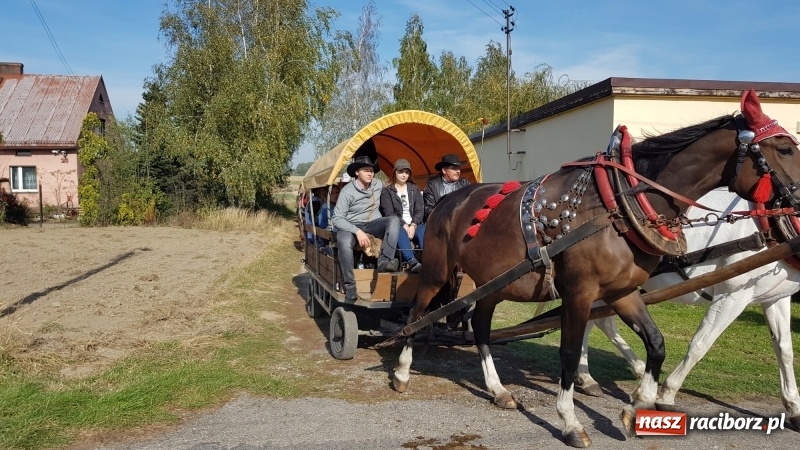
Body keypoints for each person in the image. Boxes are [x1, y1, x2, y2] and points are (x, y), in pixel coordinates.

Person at [332, 156, 402, 301]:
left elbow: (395, 189)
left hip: (373, 224)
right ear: (357, 172)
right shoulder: (347, 192)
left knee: (394, 220)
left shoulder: (377, 184)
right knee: (344, 242)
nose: (370, 173)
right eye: (366, 170)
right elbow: (337, 218)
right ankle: (350, 285)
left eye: (371, 171)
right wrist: (357, 231)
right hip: (351, 225)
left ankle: (385, 261)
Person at [380, 159, 423, 273]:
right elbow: (389, 213)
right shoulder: (388, 191)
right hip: (398, 224)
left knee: (424, 231)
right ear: (395, 172)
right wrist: (404, 225)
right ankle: (412, 261)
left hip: (415, 222)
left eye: (407, 172)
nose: (404, 175)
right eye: (401, 172)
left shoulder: (414, 189)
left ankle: (426, 258)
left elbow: (419, 210)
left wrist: (413, 225)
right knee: (398, 231)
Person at [423, 153, 470, 222]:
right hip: (440, 223)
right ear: (444, 170)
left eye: (459, 168)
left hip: (461, 221)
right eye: (454, 168)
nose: (458, 171)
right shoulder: (432, 185)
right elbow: (428, 209)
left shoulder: (464, 184)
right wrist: (446, 215)